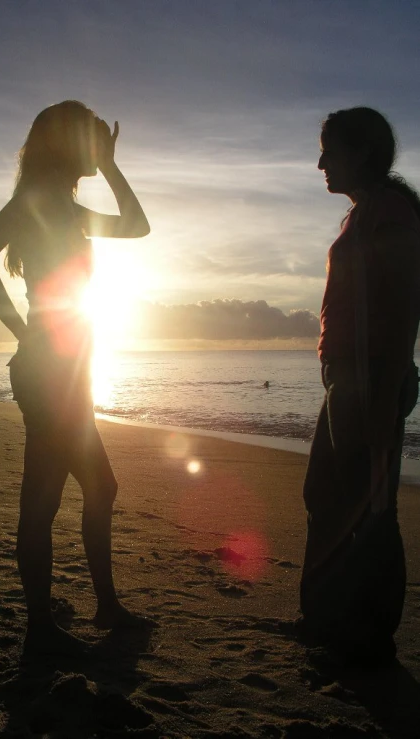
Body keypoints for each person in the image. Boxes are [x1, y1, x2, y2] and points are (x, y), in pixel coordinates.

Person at [0, 101, 150, 658]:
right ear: (64, 145)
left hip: (67, 368)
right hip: (48, 370)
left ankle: (99, 608)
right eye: (89, 141)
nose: (96, 148)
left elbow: (137, 226)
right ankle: (42, 629)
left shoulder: (65, 209)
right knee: (44, 499)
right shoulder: (38, 200)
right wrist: (25, 332)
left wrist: (111, 166)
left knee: (92, 488)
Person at [299, 107, 420, 667]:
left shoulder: (391, 213)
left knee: (372, 510)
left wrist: (387, 388)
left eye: (331, 151)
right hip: (345, 378)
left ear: (362, 153)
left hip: (371, 377)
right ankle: (325, 619)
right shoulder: (362, 214)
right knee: (326, 495)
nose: (321, 163)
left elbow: (402, 312)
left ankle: (371, 641)